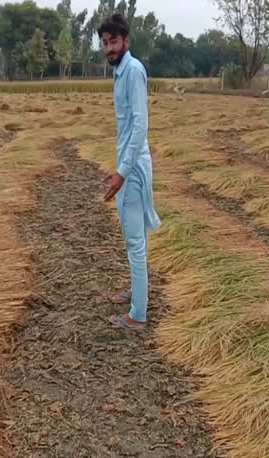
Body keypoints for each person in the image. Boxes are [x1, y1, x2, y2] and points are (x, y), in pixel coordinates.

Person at [99, 13, 162, 331]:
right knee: (133, 239)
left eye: (113, 41)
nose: (108, 48)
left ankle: (138, 315)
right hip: (130, 165)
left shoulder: (133, 71)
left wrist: (122, 172)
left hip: (134, 169)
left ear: (126, 41)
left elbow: (140, 126)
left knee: (135, 242)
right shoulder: (121, 72)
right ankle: (137, 293)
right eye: (105, 43)